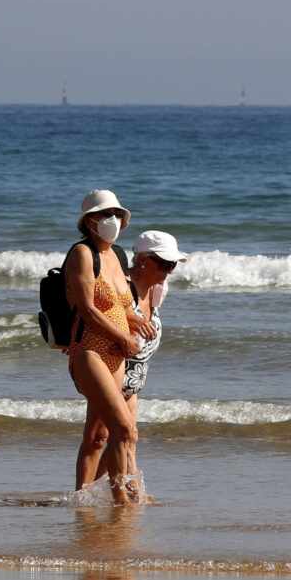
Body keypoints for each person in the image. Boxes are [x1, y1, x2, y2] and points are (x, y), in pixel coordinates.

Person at [64, 189, 156, 500]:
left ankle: (82, 500)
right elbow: (88, 308)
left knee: (99, 436)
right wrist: (121, 337)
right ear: (90, 222)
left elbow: (121, 305)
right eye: (106, 215)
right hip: (89, 351)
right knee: (125, 429)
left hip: (117, 355)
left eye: (117, 215)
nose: (113, 220)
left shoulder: (115, 256)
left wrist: (137, 321)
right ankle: (123, 503)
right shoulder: (82, 254)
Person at [118, 229, 187, 421]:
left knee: (126, 438)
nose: (169, 270)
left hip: (133, 383)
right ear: (142, 259)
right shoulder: (121, 286)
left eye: (172, 265)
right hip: (110, 376)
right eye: (164, 264)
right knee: (100, 437)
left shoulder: (159, 289)